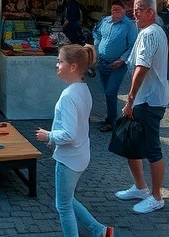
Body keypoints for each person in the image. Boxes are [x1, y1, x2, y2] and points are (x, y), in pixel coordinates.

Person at [36, 44, 114, 237]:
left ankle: (97, 231)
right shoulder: (83, 90)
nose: (57, 65)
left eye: (60, 61)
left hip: (69, 159)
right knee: (67, 198)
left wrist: (49, 136)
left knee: (63, 205)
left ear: (72, 67)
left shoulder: (69, 96)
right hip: (80, 155)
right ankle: (101, 231)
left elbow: (69, 134)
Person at [115, 0, 169, 214]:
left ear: (151, 12)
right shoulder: (149, 32)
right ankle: (140, 187)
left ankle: (156, 197)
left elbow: (142, 67)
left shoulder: (149, 34)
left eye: (139, 9)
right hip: (145, 99)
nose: (134, 13)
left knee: (152, 148)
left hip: (148, 100)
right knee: (132, 143)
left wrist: (130, 99)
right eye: (134, 9)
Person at [94, 0, 138, 133]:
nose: (115, 12)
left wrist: (122, 60)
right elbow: (96, 33)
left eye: (118, 9)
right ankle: (109, 117)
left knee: (110, 91)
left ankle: (112, 121)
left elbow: (133, 45)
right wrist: (97, 45)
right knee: (107, 92)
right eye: (113, 9)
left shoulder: (129, 25)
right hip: (103, 62)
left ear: (124, 10)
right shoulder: (105, 21)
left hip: (118, 65)